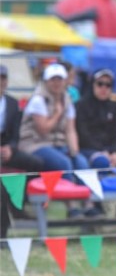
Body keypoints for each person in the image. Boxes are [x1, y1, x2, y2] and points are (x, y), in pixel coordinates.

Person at [17, 63, 97, 218]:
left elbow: (70, 129)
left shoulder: (67, 99)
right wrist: (57, 113)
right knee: (63, 163)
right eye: (53, 80)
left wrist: (74, 149)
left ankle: (89, 204)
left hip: (57, 144)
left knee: (80, 161)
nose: (57, 83)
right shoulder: (38, 100)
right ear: (46, 81)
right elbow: (43, 129)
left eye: (59, 79)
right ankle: (71, 206)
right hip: (34, 144)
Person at [75, 68, 116, 217]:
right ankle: (98, 203)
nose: (104, 88)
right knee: (101, 161)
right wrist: (104, 152)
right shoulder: (80, 106)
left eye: (108, 85)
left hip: (111, 149)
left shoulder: (115, 107)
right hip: (88, 148)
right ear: (92, 84)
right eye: (100, 84)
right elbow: (83, 135)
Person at [1, 64, 44, 238]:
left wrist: (10, 148)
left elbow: (16, 133)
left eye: (3, 78)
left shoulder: (13, 103)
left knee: (37, 164)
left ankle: (19, 203)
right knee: (2, 187)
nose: (0, 82)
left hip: (6, 149)